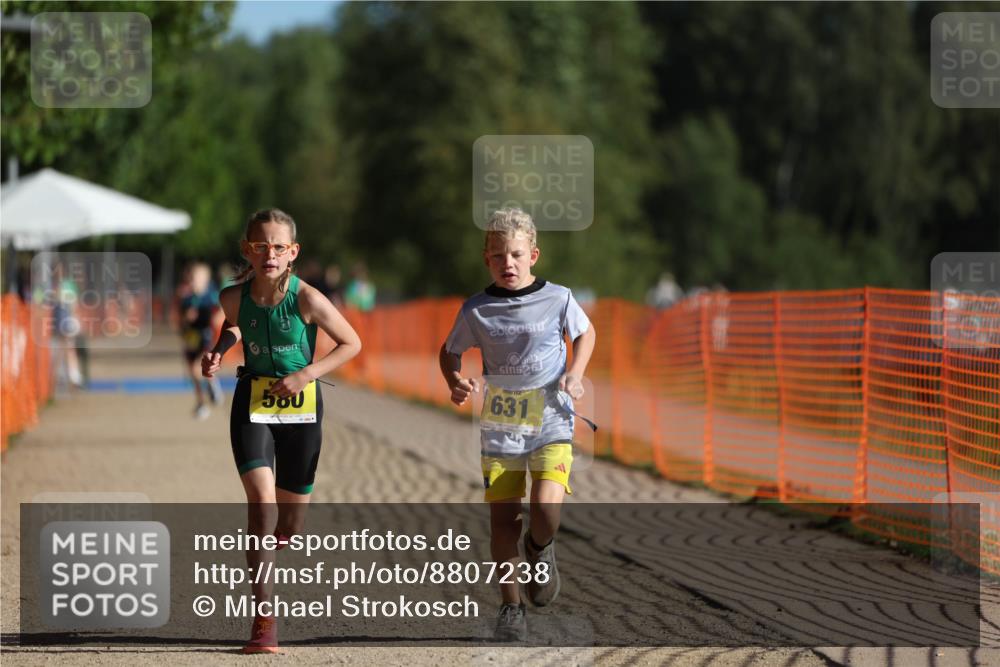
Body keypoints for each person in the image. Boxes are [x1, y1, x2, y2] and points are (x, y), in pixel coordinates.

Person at [201, 208, 362, 653]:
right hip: (252, 406)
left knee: (289, 523)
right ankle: (263, 619)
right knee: (261, 506)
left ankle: (270, 548)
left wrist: (307, 373)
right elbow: (234, 326)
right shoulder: (231, 297)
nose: (268, 253)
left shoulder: (308, 299)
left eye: (277, 246)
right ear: (246, 250)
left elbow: (352, 343)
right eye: (260, 245)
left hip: (303, 415)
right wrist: (218, 350)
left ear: (292, 253)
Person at [438, 208, 596, 641]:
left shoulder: (559, 297)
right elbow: (449, 351)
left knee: (546, 509)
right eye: (499, 256)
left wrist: (575, 374)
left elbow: (585, 333)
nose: (508, 263)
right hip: (502, 426)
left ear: (534, 256)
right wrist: (454, 380)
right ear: (486, 259)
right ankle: (511, 607)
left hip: (551, 419)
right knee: (503, 521)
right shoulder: (477, 309)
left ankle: (539, 548)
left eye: (517, 254)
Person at [178, 262, 222, 420]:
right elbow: (182, 317)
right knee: (193, 372)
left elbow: (221, 311)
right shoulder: (187, 296)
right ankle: (201, 403)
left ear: (206, 279)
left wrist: (215, 319)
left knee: (201, 364)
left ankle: (212, 384)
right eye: (192, 277)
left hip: (205, 334)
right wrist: (186, 318)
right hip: (191, 336)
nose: (193, 280)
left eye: (197, 277)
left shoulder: (211, 295)